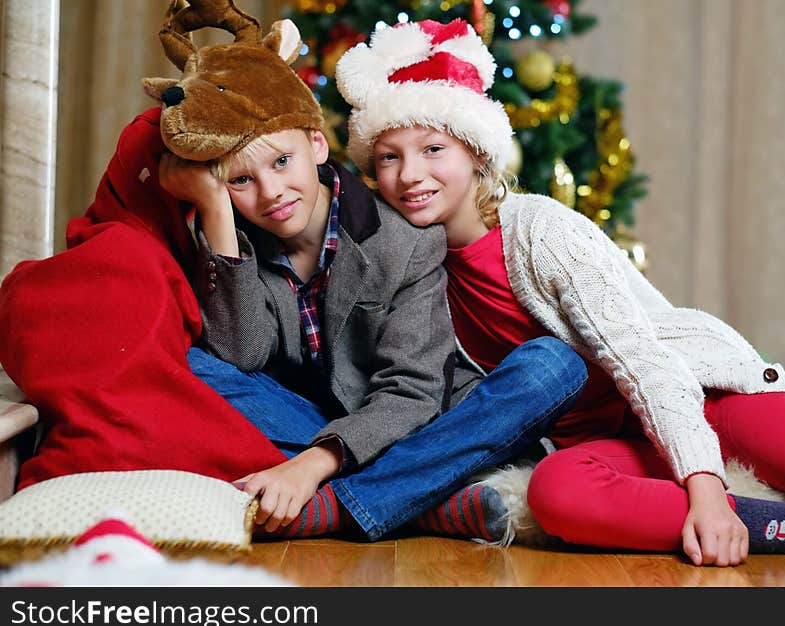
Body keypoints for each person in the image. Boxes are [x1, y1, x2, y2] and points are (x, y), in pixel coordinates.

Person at [335, 17, 785, 565]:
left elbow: (643, 358)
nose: (409, 175)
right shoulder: (413, 271)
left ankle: (783, 510)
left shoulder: (542, 233)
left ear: (476, 153)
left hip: (706, 402)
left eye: (432, 149)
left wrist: (707, 486)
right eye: (389, 157)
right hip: (620, 445)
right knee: (556, 493)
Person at [153, 7, 587, 543]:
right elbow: (241, 356)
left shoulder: (405, 240)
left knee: (554, 366)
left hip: (425, 422)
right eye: (241, 180)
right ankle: (426, 498)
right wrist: (217, 213)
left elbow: (412, 393)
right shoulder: (237, 241)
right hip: (317, 419)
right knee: (193, 364)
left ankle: (340, 506)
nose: (270, 193)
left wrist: (312, 465)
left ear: (316, 145)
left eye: (283, 163)